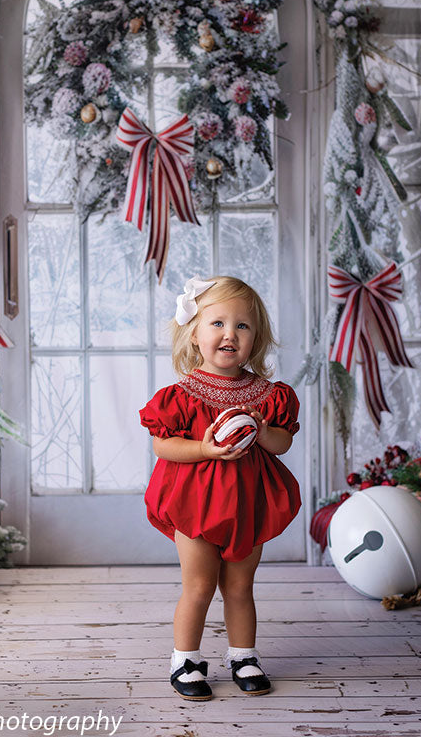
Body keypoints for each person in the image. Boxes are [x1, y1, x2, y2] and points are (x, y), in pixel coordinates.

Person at [139, 275, 302, 701]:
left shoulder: (268, 396)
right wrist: (204, 448)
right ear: (194, 333)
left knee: (239, 586)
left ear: (255, 339)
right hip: (194, 505)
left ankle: (243, 655)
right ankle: (186, 659)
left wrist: (264, 433)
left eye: (242, 326)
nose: (230, 334)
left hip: (247, 504)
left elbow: (284, 441)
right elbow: (163, 444)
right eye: (217, 323)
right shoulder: (181, 396)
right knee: (199, 585)